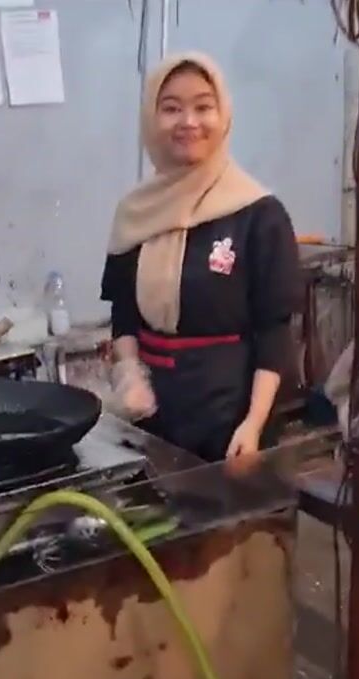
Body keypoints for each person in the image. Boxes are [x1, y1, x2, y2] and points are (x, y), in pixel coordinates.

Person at [101, 52, 303, 463]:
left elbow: (274, 331)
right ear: (151, 119)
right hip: (152, 414)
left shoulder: (258, 214)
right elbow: (123, 313)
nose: (189, 122)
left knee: (229, 506)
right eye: (171, 108)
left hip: (229, 418)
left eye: (203, 107)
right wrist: (129, 376)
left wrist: (254, 424)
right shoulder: (135, 212)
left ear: (223, 116)